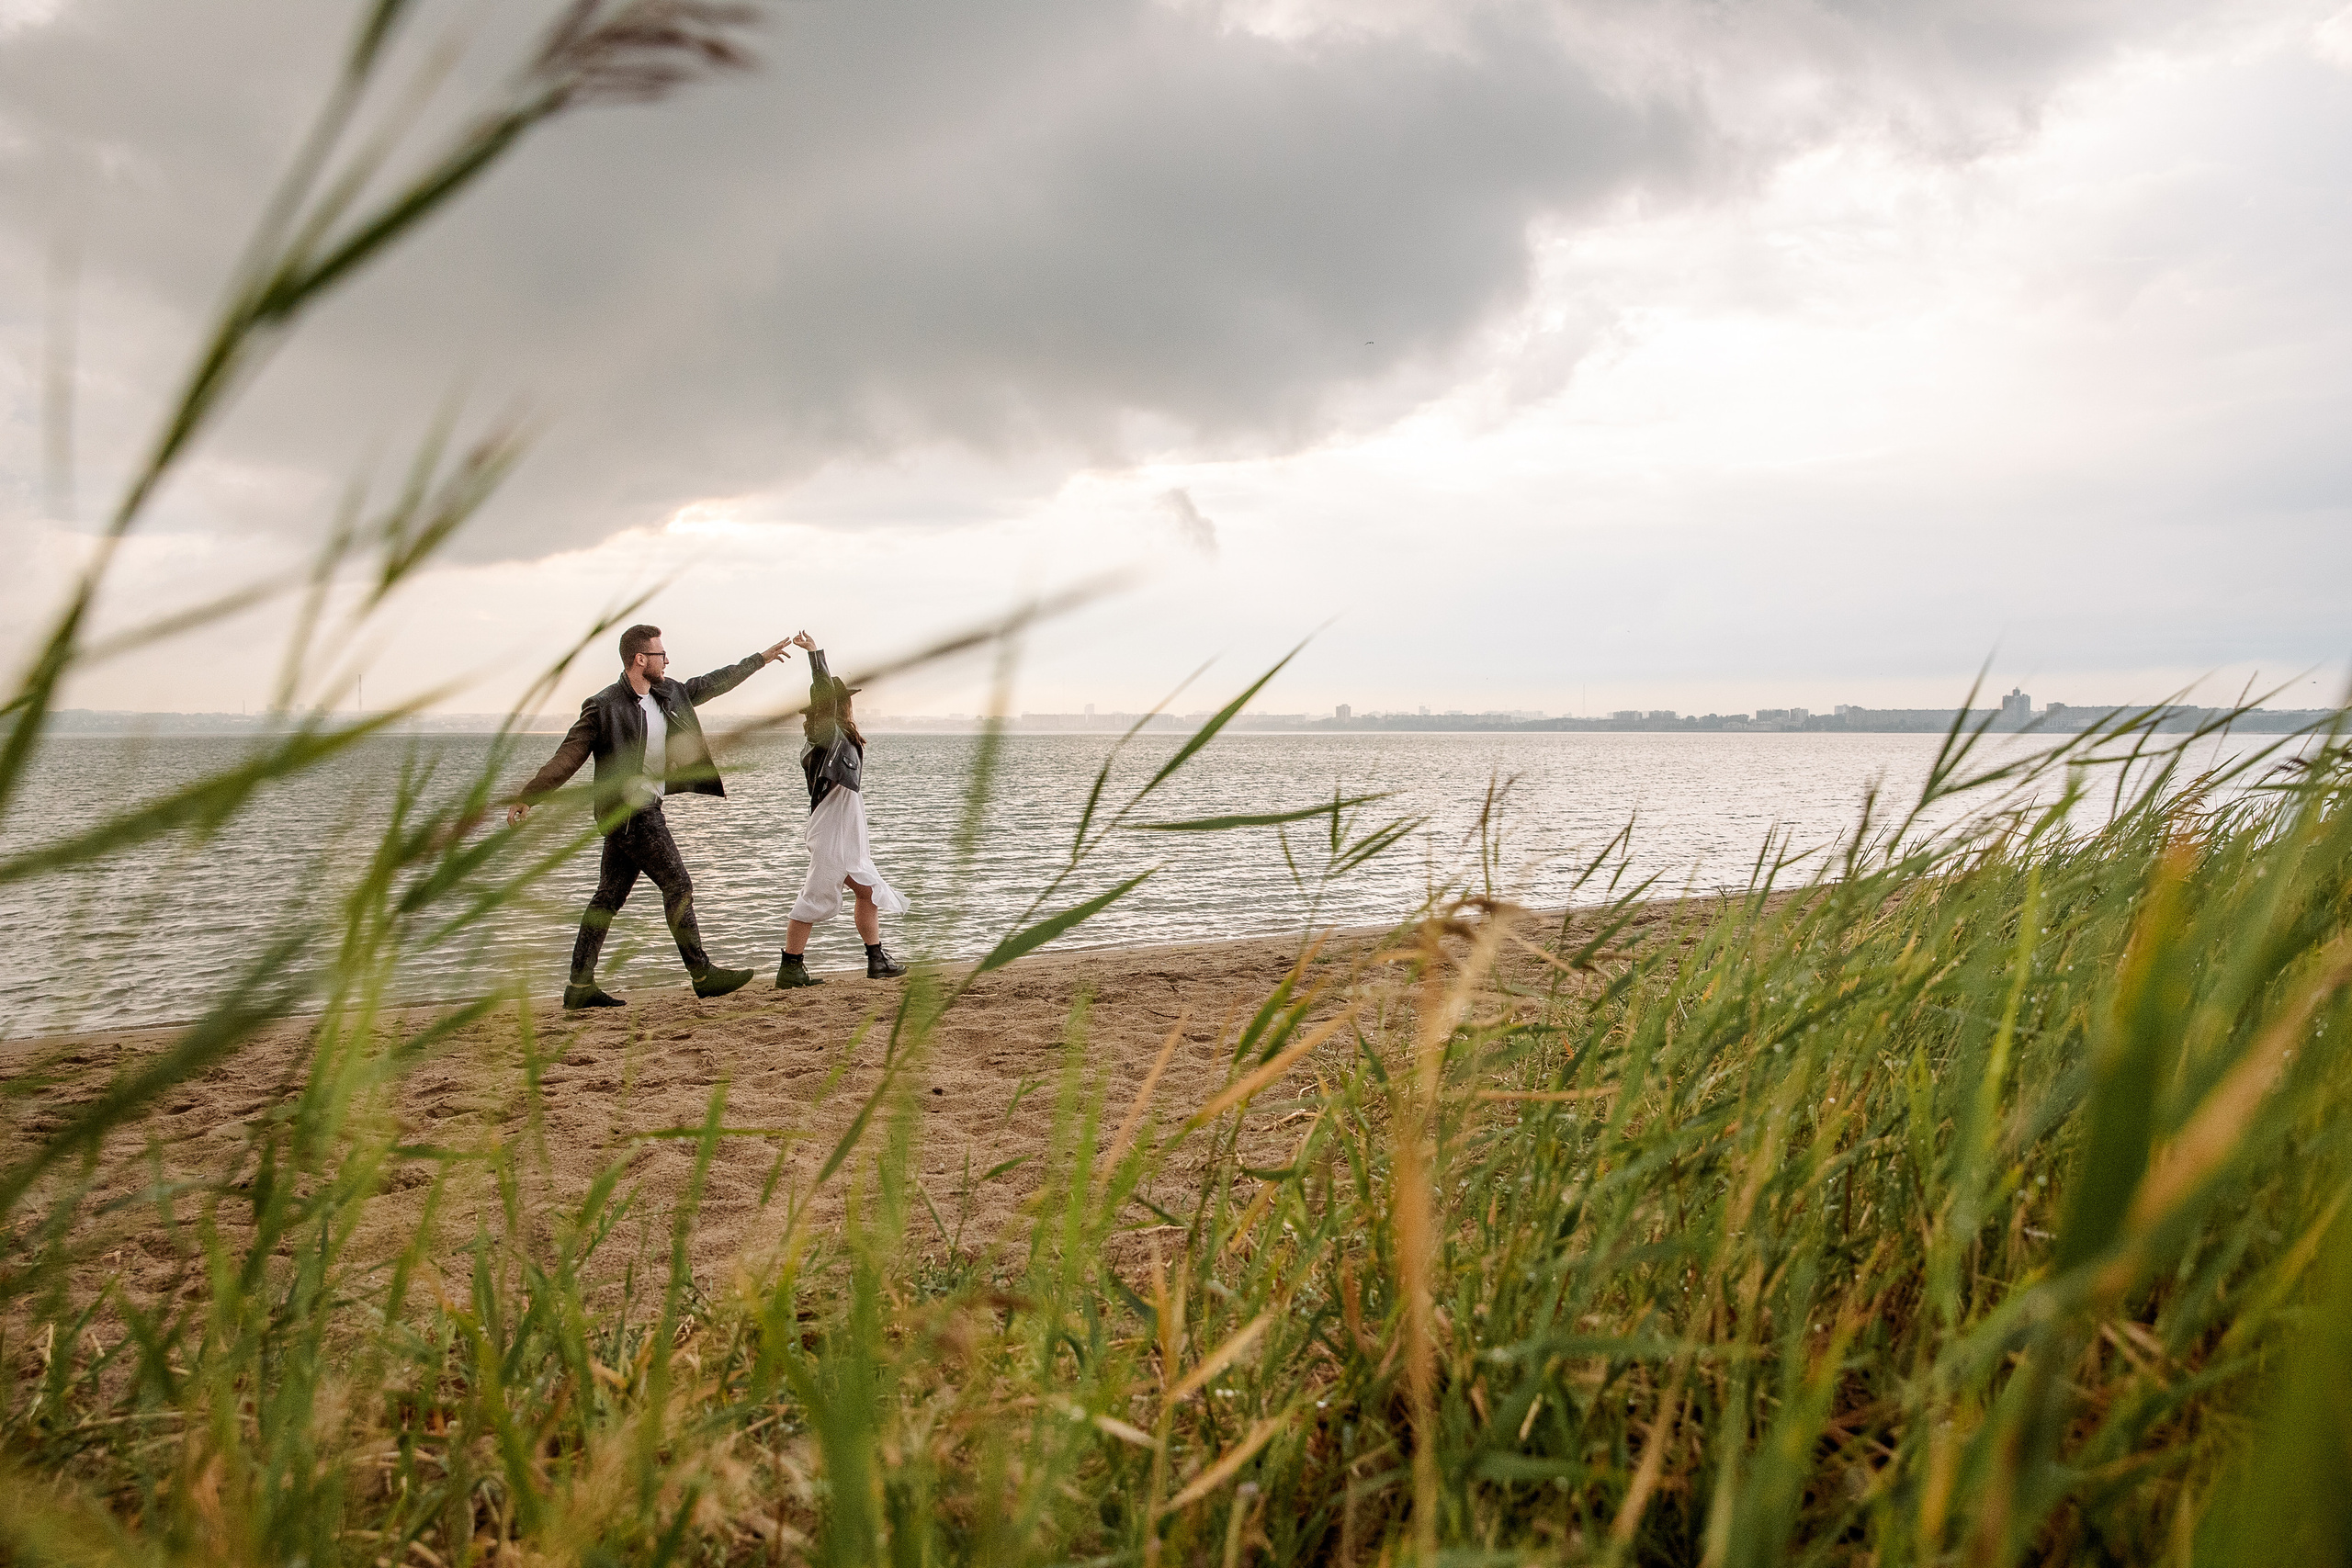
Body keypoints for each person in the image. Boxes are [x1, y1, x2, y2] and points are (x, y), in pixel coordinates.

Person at [508, 623, 796, 1009]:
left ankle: (579, 986)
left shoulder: (669, 692)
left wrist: (759, 660)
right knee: (678, 885)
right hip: (631, 811)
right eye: (661, 654)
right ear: (640, 659)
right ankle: (702, 973)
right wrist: (532, 794)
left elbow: (712, 683)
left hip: (638, 812)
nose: (667, 660)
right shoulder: (604, 705)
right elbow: (569, 755)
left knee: (607, 898)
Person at [776, 632, 909, 987]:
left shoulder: (841, 738)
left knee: (868, 892)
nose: (848, 705)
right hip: (832, 829)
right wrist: (815, 656)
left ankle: (877, 960)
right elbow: (823, 697)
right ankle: (790, 968)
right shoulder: (825, 736)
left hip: (846, 830)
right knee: (815, 895)